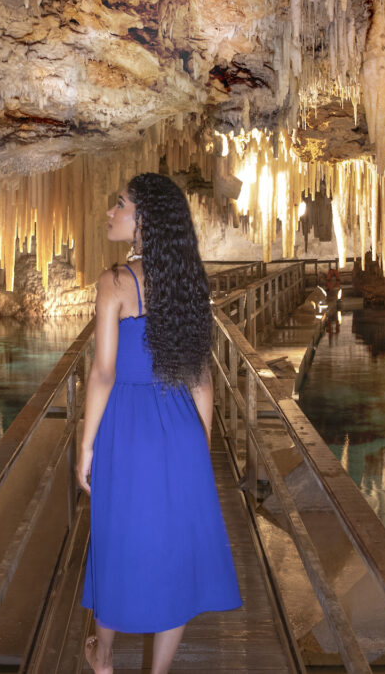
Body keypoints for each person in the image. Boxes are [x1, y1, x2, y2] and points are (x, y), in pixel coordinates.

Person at [76, 173, 241, 674]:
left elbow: (103, 373)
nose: (111, 212)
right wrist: (200, 446)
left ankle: (102, 659)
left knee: (114, 538)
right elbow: (202, 378)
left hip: (128, 428)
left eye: (119, 204)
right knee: (174, 553)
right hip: (180, 426)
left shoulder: (116, 283)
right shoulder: (186, 282)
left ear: (142, 220)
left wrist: (85, 447)